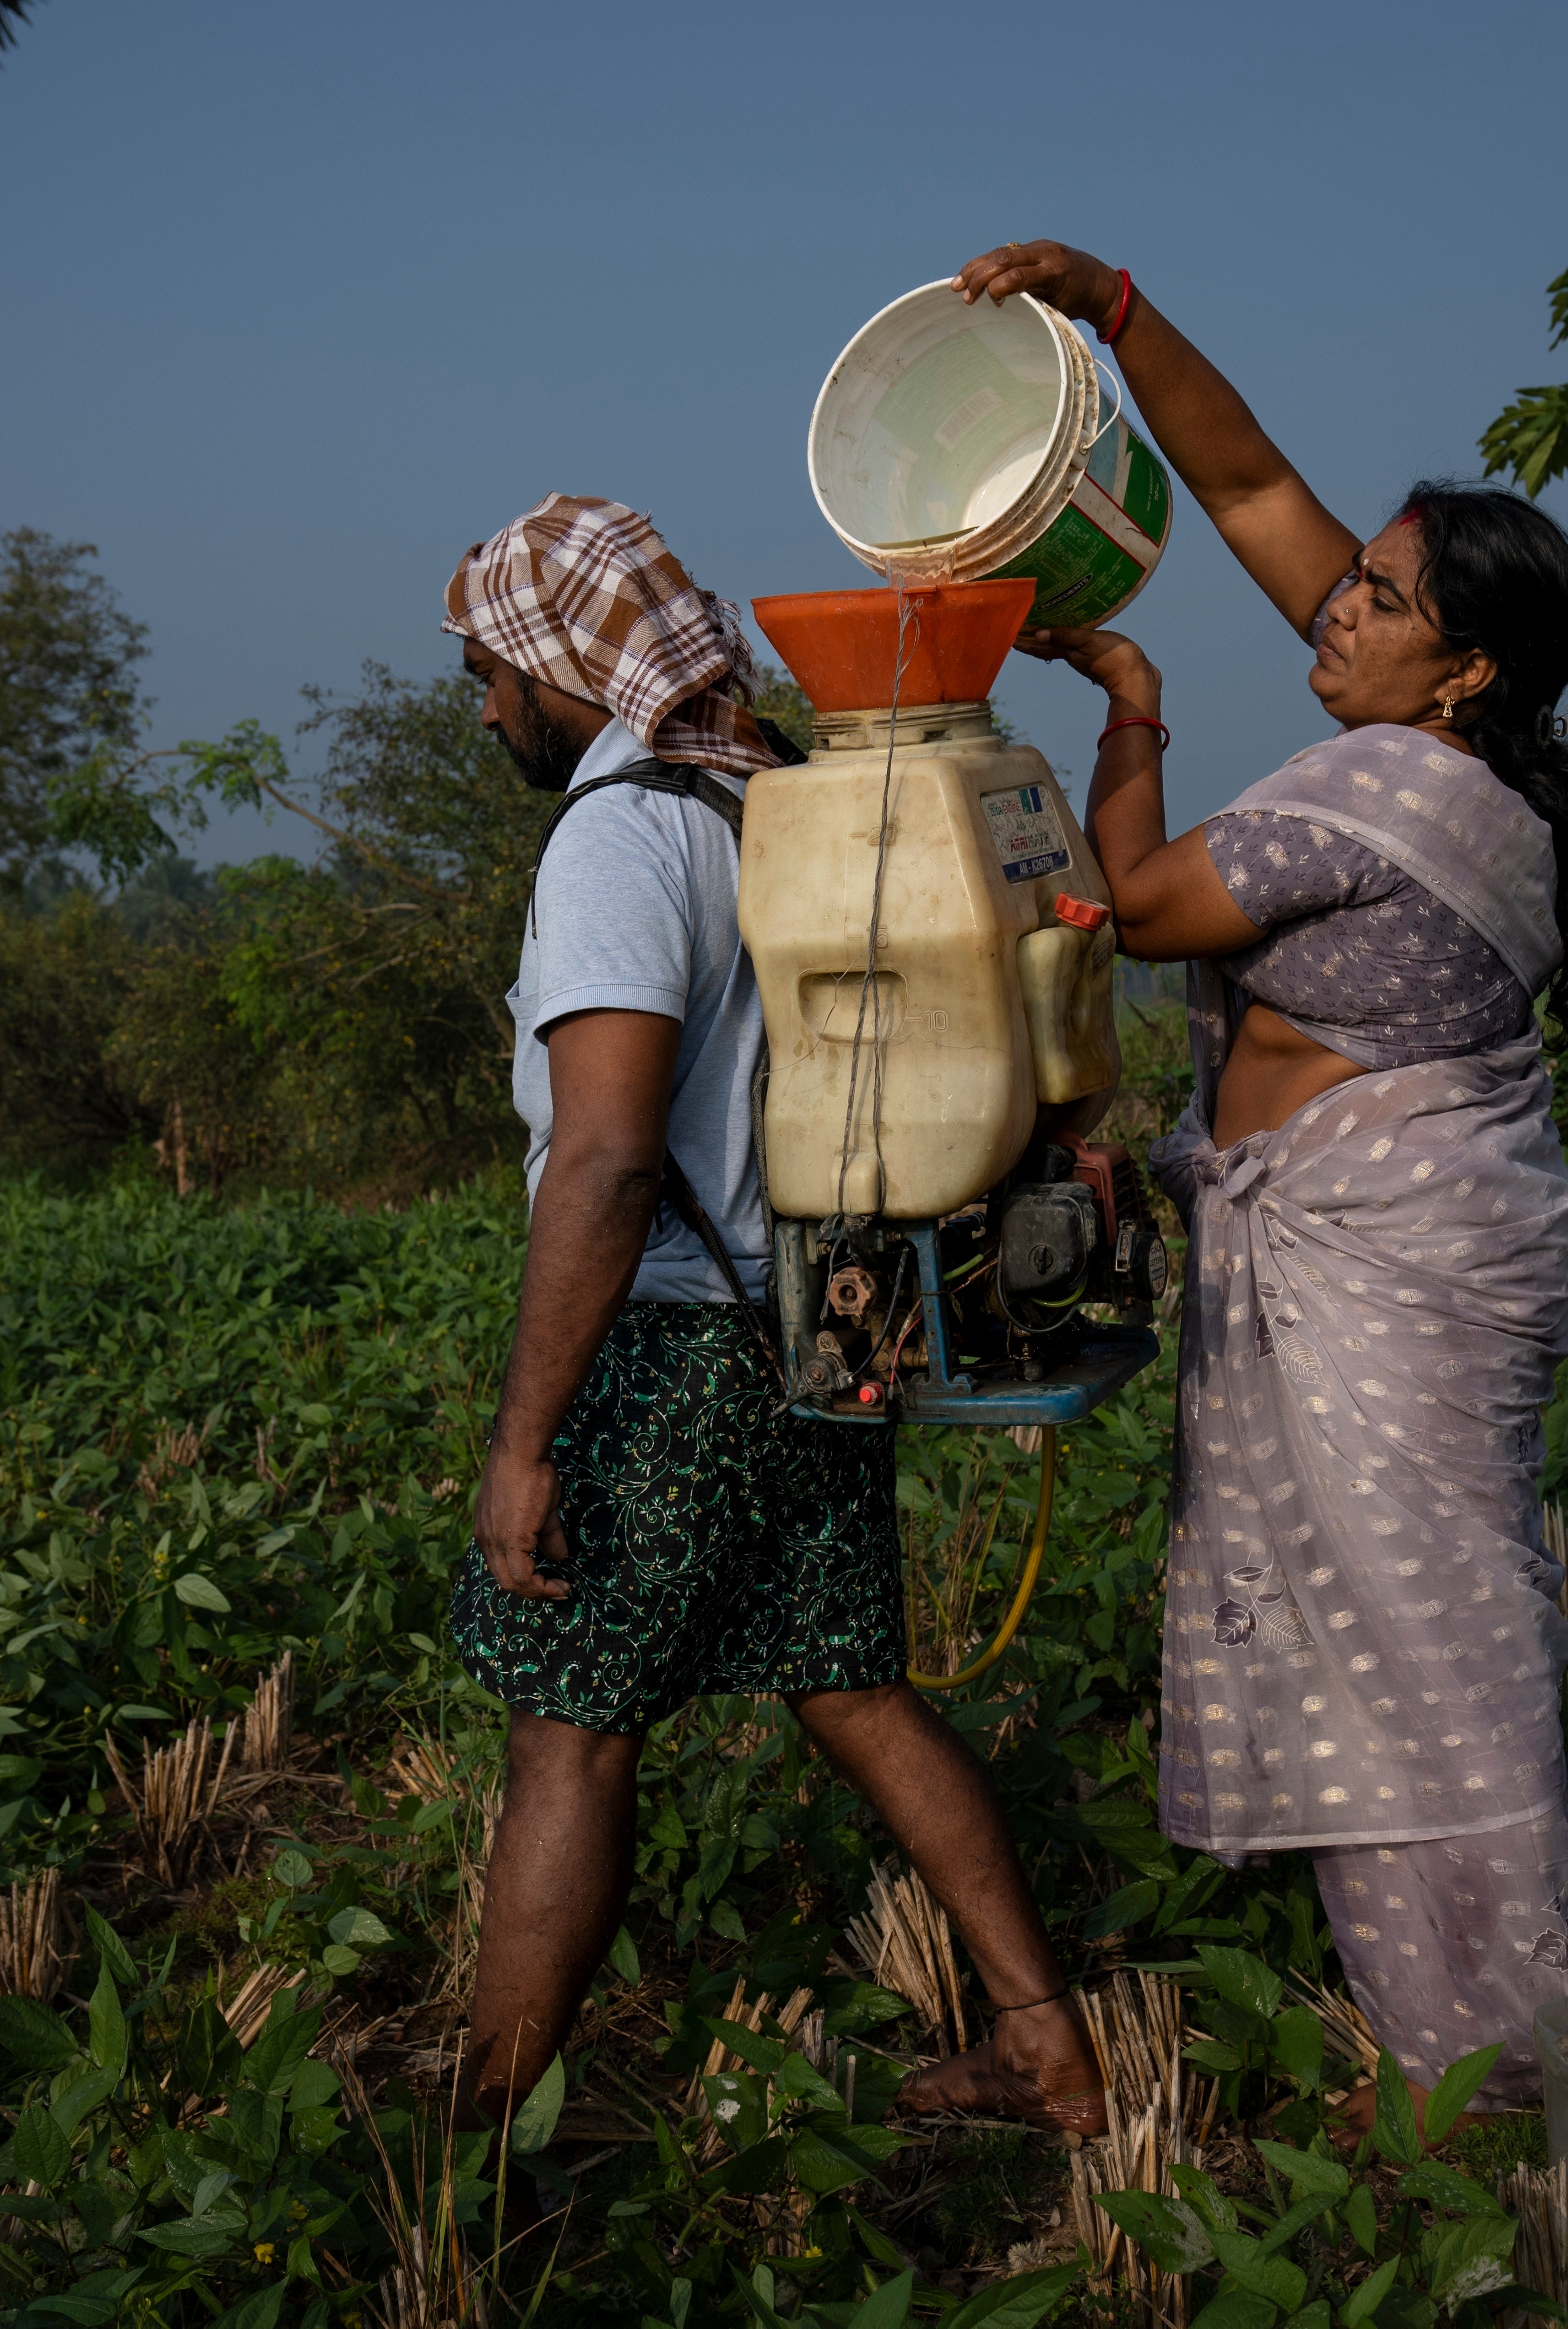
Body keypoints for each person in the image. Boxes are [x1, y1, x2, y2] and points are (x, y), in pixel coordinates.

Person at [948, 245, 1568, 2110]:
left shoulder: (1396, 796)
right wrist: (1110, 308)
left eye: (1383, 599)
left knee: (1427, 1654)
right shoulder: (1444, 752)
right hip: (1384, 1248)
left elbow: (1131, 901)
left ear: (1466, 670)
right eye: (1357, 576)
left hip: (1388, 1268)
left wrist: (1132, 700)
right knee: (1386, 1640)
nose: (1339, 607)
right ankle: (1456, 2044)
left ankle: (1508, 2065)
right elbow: (1250, 482)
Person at [443, 494, 1106, 2138]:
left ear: (559, 663)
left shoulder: (620, 837)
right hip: (824, 1320)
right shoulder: (781, 794)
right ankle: (1046, 2043)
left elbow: (606, 1158)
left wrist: (526, 1440)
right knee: (848, 1685)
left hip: (673, 1343)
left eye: (490, 673)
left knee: (569, 1737)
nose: (487, 709)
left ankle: (482, 2152)